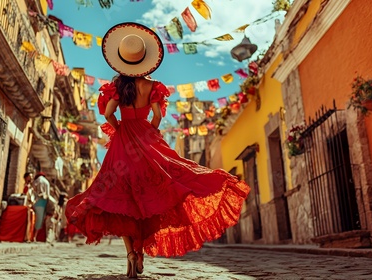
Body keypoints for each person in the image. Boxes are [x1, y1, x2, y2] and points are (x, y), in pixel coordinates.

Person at [65, 22, 250, 278]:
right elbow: (156, 115)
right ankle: (140, 253)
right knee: (152, 194)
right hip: (146, 139)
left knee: (123, 200)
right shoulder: (153, 87)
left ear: (122, 59)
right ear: (144, 59)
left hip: (123, 143)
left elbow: (108, 114)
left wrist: (120, 127)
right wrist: (149, 131)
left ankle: (131, 253)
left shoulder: (117, 87)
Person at [32, 172, 50, 242]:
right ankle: (35, 236)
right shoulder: (46, 182)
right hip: (43, 202)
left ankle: (33, 236)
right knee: (39, 220)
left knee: (35, 219)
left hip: (36, 201)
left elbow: (34, 190)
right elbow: (47, 194)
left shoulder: (37, 180)